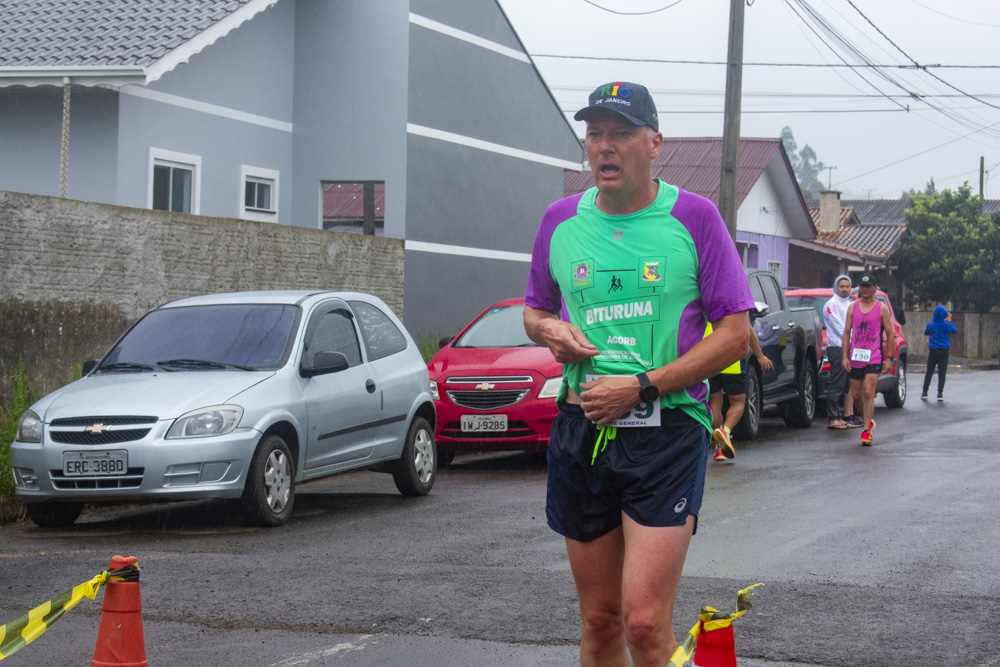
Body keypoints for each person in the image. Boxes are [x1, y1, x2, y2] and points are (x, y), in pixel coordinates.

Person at [523, 80, 753, 665]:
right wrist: (550, 331)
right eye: (595, 134)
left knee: (645, 623)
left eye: (621, 133)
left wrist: (644, 384)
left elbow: (735, 333)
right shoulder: (558, 221)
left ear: (655, 142)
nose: (605, 147)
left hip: (667, 431)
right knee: (600, 622)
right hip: (582, 430)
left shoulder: (694, 218)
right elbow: (536, 310)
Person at [707, 322, 773, 461]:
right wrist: (760, 356)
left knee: (714, 402)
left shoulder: (706, 305)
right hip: (733, 361)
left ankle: (720, 448)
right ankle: (725, 431)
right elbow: (748, 331)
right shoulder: (734, 305)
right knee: (738, 402)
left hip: (711, 359)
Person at [842, 273, 894, 445]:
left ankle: (865, 432)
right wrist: (844, 356)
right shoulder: (852, 307)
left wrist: (889, 359)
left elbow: (890, 333)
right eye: (862, 286)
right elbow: (847, 332)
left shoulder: (881, 308)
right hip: (856, 356)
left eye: (868, 286)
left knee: (868, 392)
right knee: (856, 396)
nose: (864, 289)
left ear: (874, 287)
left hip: (874, 356)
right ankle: (868, 420)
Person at [823, 274, 853, 429]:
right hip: (837, 348)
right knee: (836, 383)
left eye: (847, 286)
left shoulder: (850, 304)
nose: (844, 289)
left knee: (845, 385)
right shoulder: (831, 304)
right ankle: (832, 418)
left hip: (850, 347)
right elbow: (840, 328)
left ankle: (839, 416)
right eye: (841, 286)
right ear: (836, 287)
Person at [922, 304, 957, 401]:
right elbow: (955, 330)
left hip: (933, 351)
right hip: (944, 351)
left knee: (929, 371)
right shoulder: (946, 325)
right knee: (942, 372)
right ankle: (940, 393)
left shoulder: (931, 324)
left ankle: (925, 391)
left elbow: (926, 332)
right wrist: (950, 320)